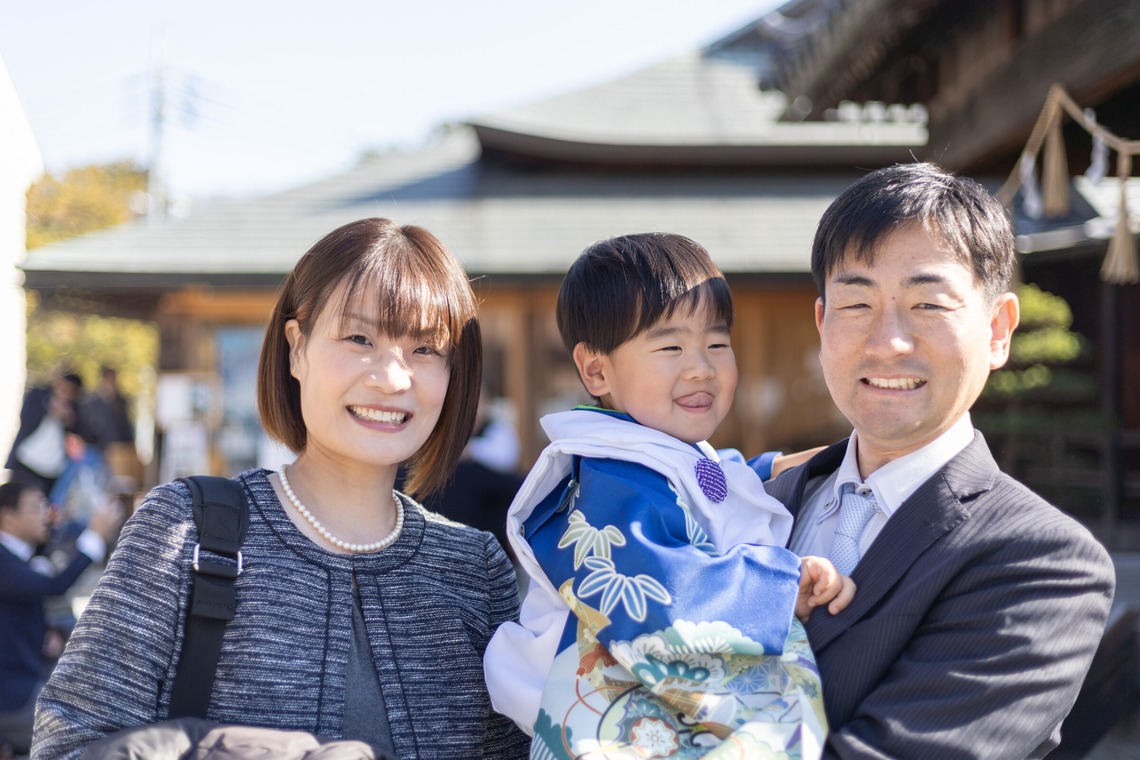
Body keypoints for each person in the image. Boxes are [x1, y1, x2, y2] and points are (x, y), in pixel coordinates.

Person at [33, 218, 531, 759]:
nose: (392, 378)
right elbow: (68, 746)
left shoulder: (475, 571)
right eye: (359, 339)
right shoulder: (184, 531)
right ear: (297, 348)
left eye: (426, 349)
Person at [761, 162, 1116, 759]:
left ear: (998, 330)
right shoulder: (750, 505)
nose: (888, 343)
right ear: (822, 323)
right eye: (856, 303)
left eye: (928, 304)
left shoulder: (1043, 563)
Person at [485, 233, 854, 758]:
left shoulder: (657, 451)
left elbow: (710, 481)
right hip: (600, 721)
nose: (701, 366)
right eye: (671, 347)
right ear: (596, 370)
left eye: (717, 343)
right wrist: (779, 587)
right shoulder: (609, 477)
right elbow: (662, 591)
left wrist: (780, 465)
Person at [0, 478, 120, 757]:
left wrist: (51, 631)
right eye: (36, 507)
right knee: (83, 737)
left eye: (46, 505)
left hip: (27, 679)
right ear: (7, 517)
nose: (46, 513)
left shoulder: (19, 556)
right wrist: (95, 535)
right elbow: (54, 585)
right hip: (11, 695)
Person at [5, 372, 83, 495]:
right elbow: (25, 418)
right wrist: (49, 410)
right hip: (26, 461)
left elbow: (78, 439)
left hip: (52, 470)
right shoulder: (39, 396)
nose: (66, 393)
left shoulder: (76, 410)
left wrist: (69, 420)